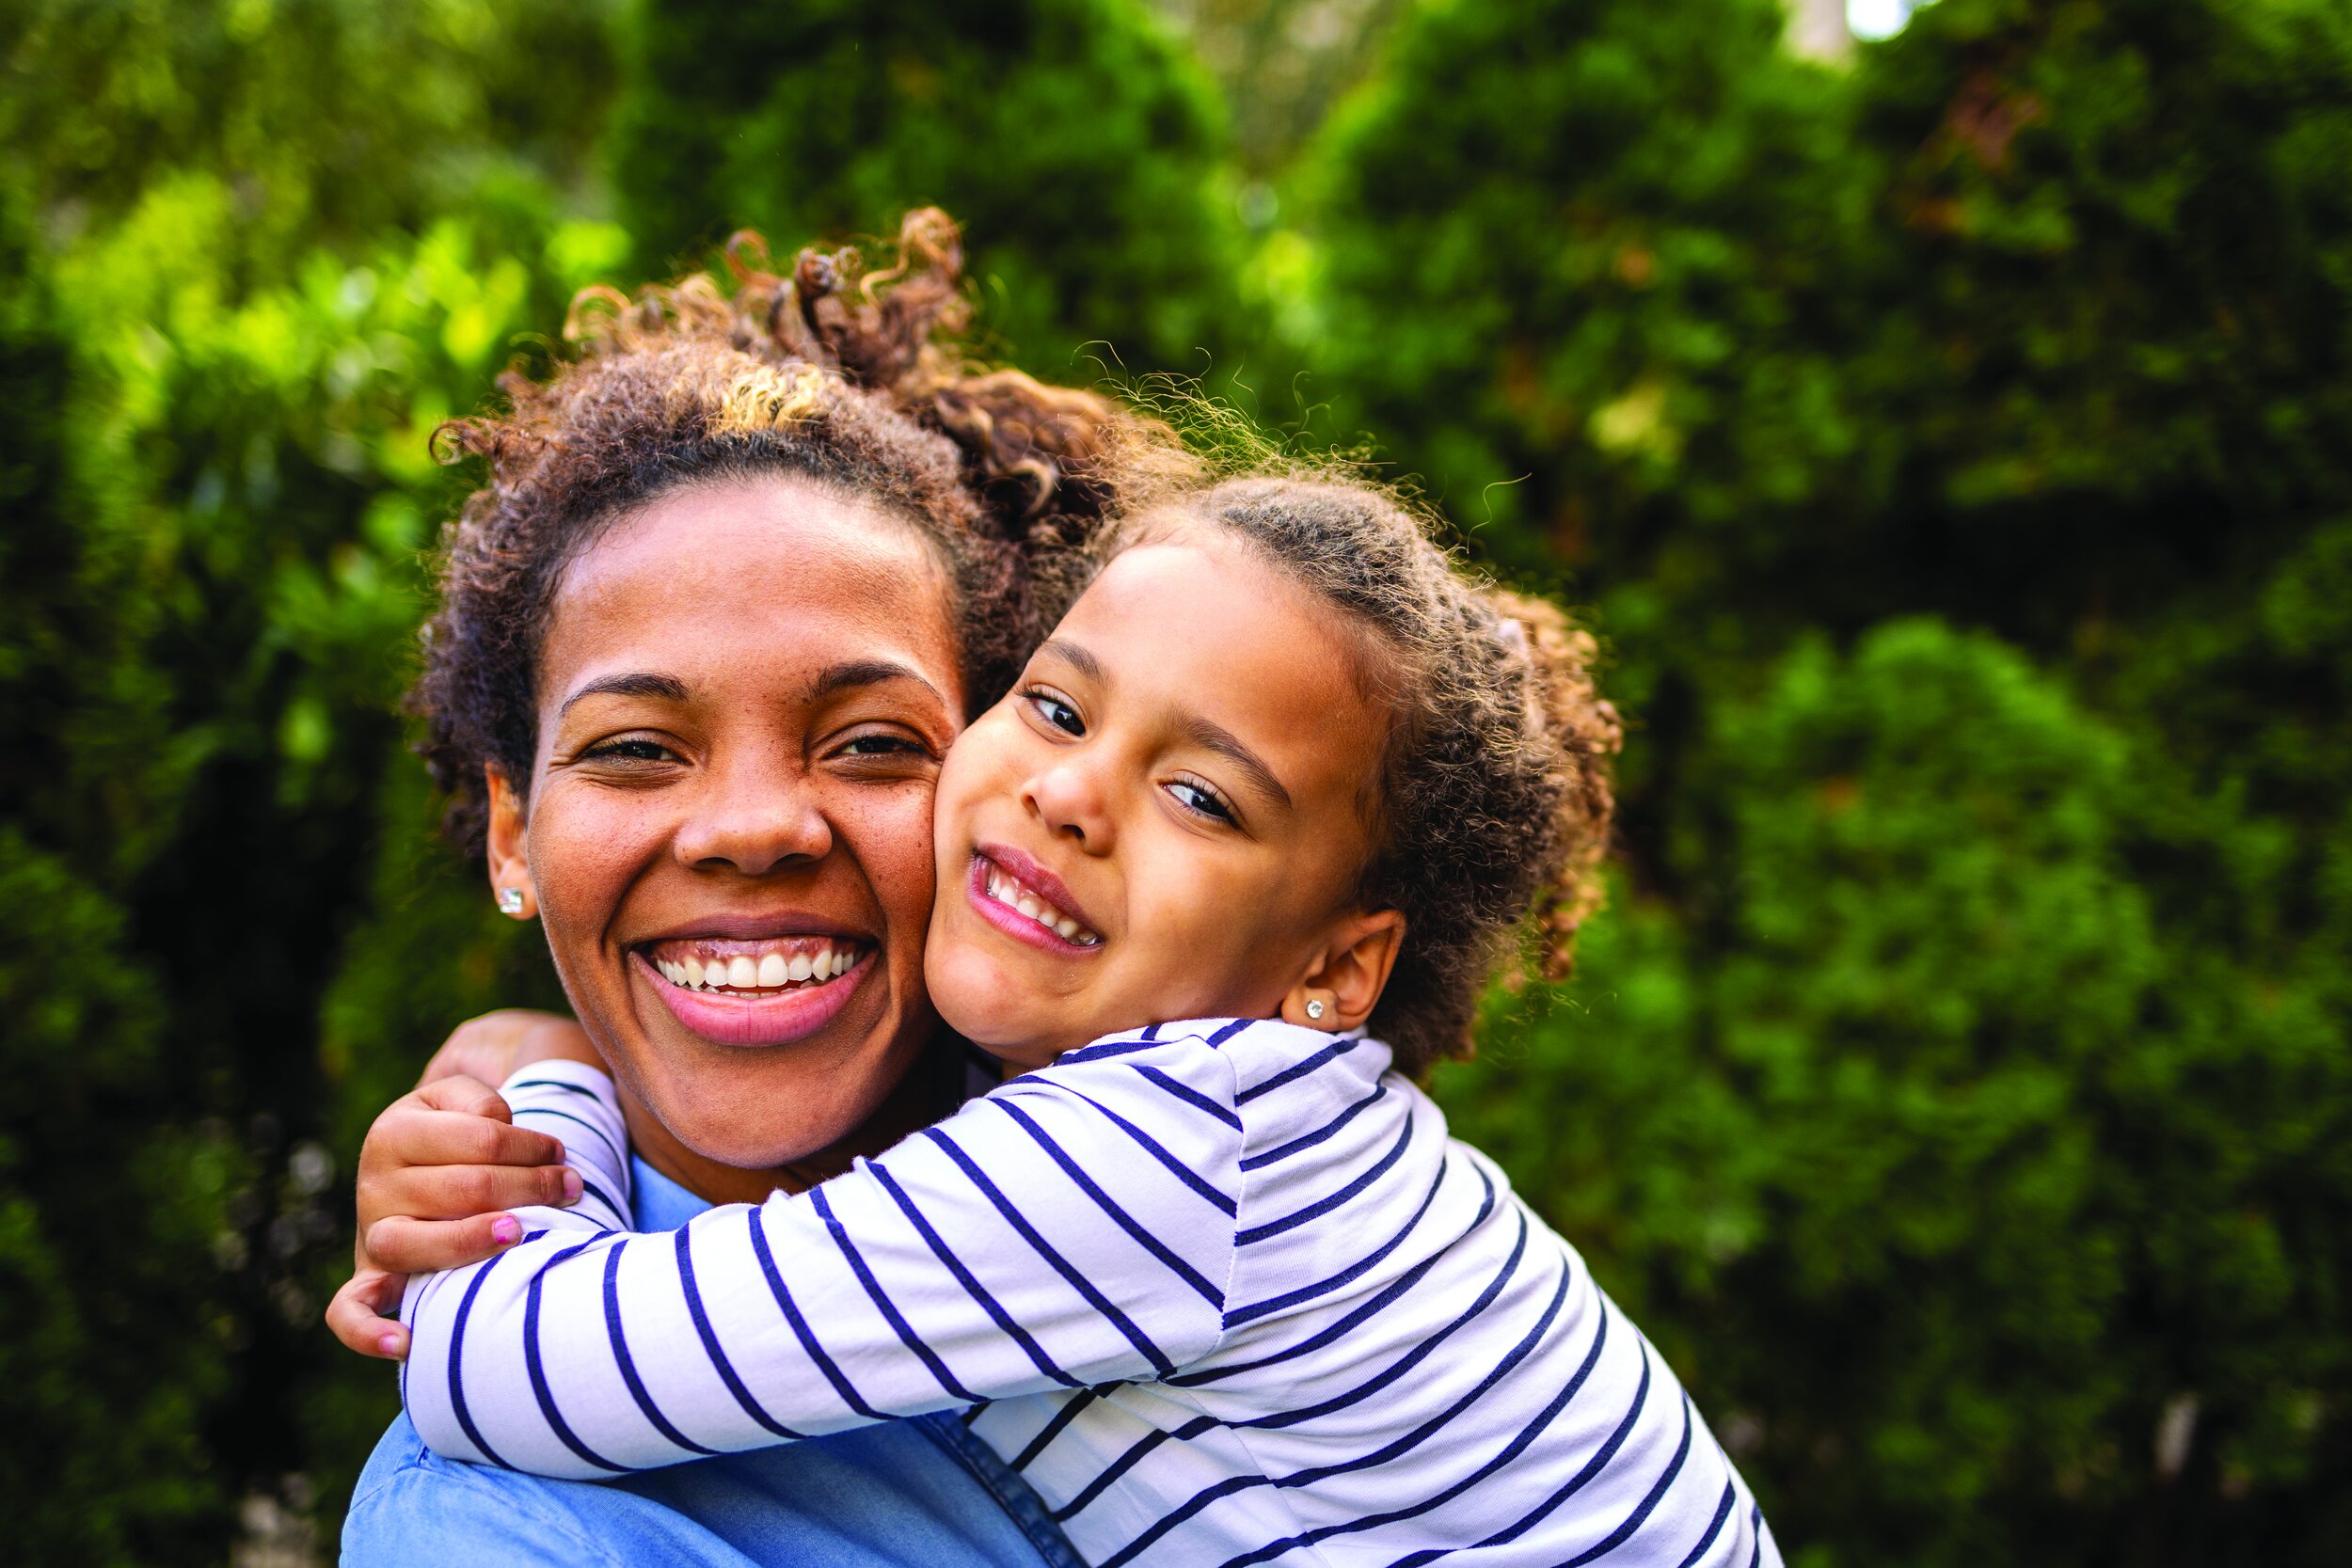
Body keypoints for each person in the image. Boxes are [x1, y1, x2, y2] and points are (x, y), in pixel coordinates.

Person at [381, 473, 1785, 1567]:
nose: (1070, 794)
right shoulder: (1233, 1126)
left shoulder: (1150, 1158)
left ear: (1339, 970)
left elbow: (498, 1372)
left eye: (1203, 798)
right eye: (1055, 707)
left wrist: (541, 1110)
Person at [327, 210, 1194, 1568]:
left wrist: (542, 1060)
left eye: (870, 744)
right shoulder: (503, 1524)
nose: (753, 828)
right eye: (632, 750)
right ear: (512, 836)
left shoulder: (1181, 1165)